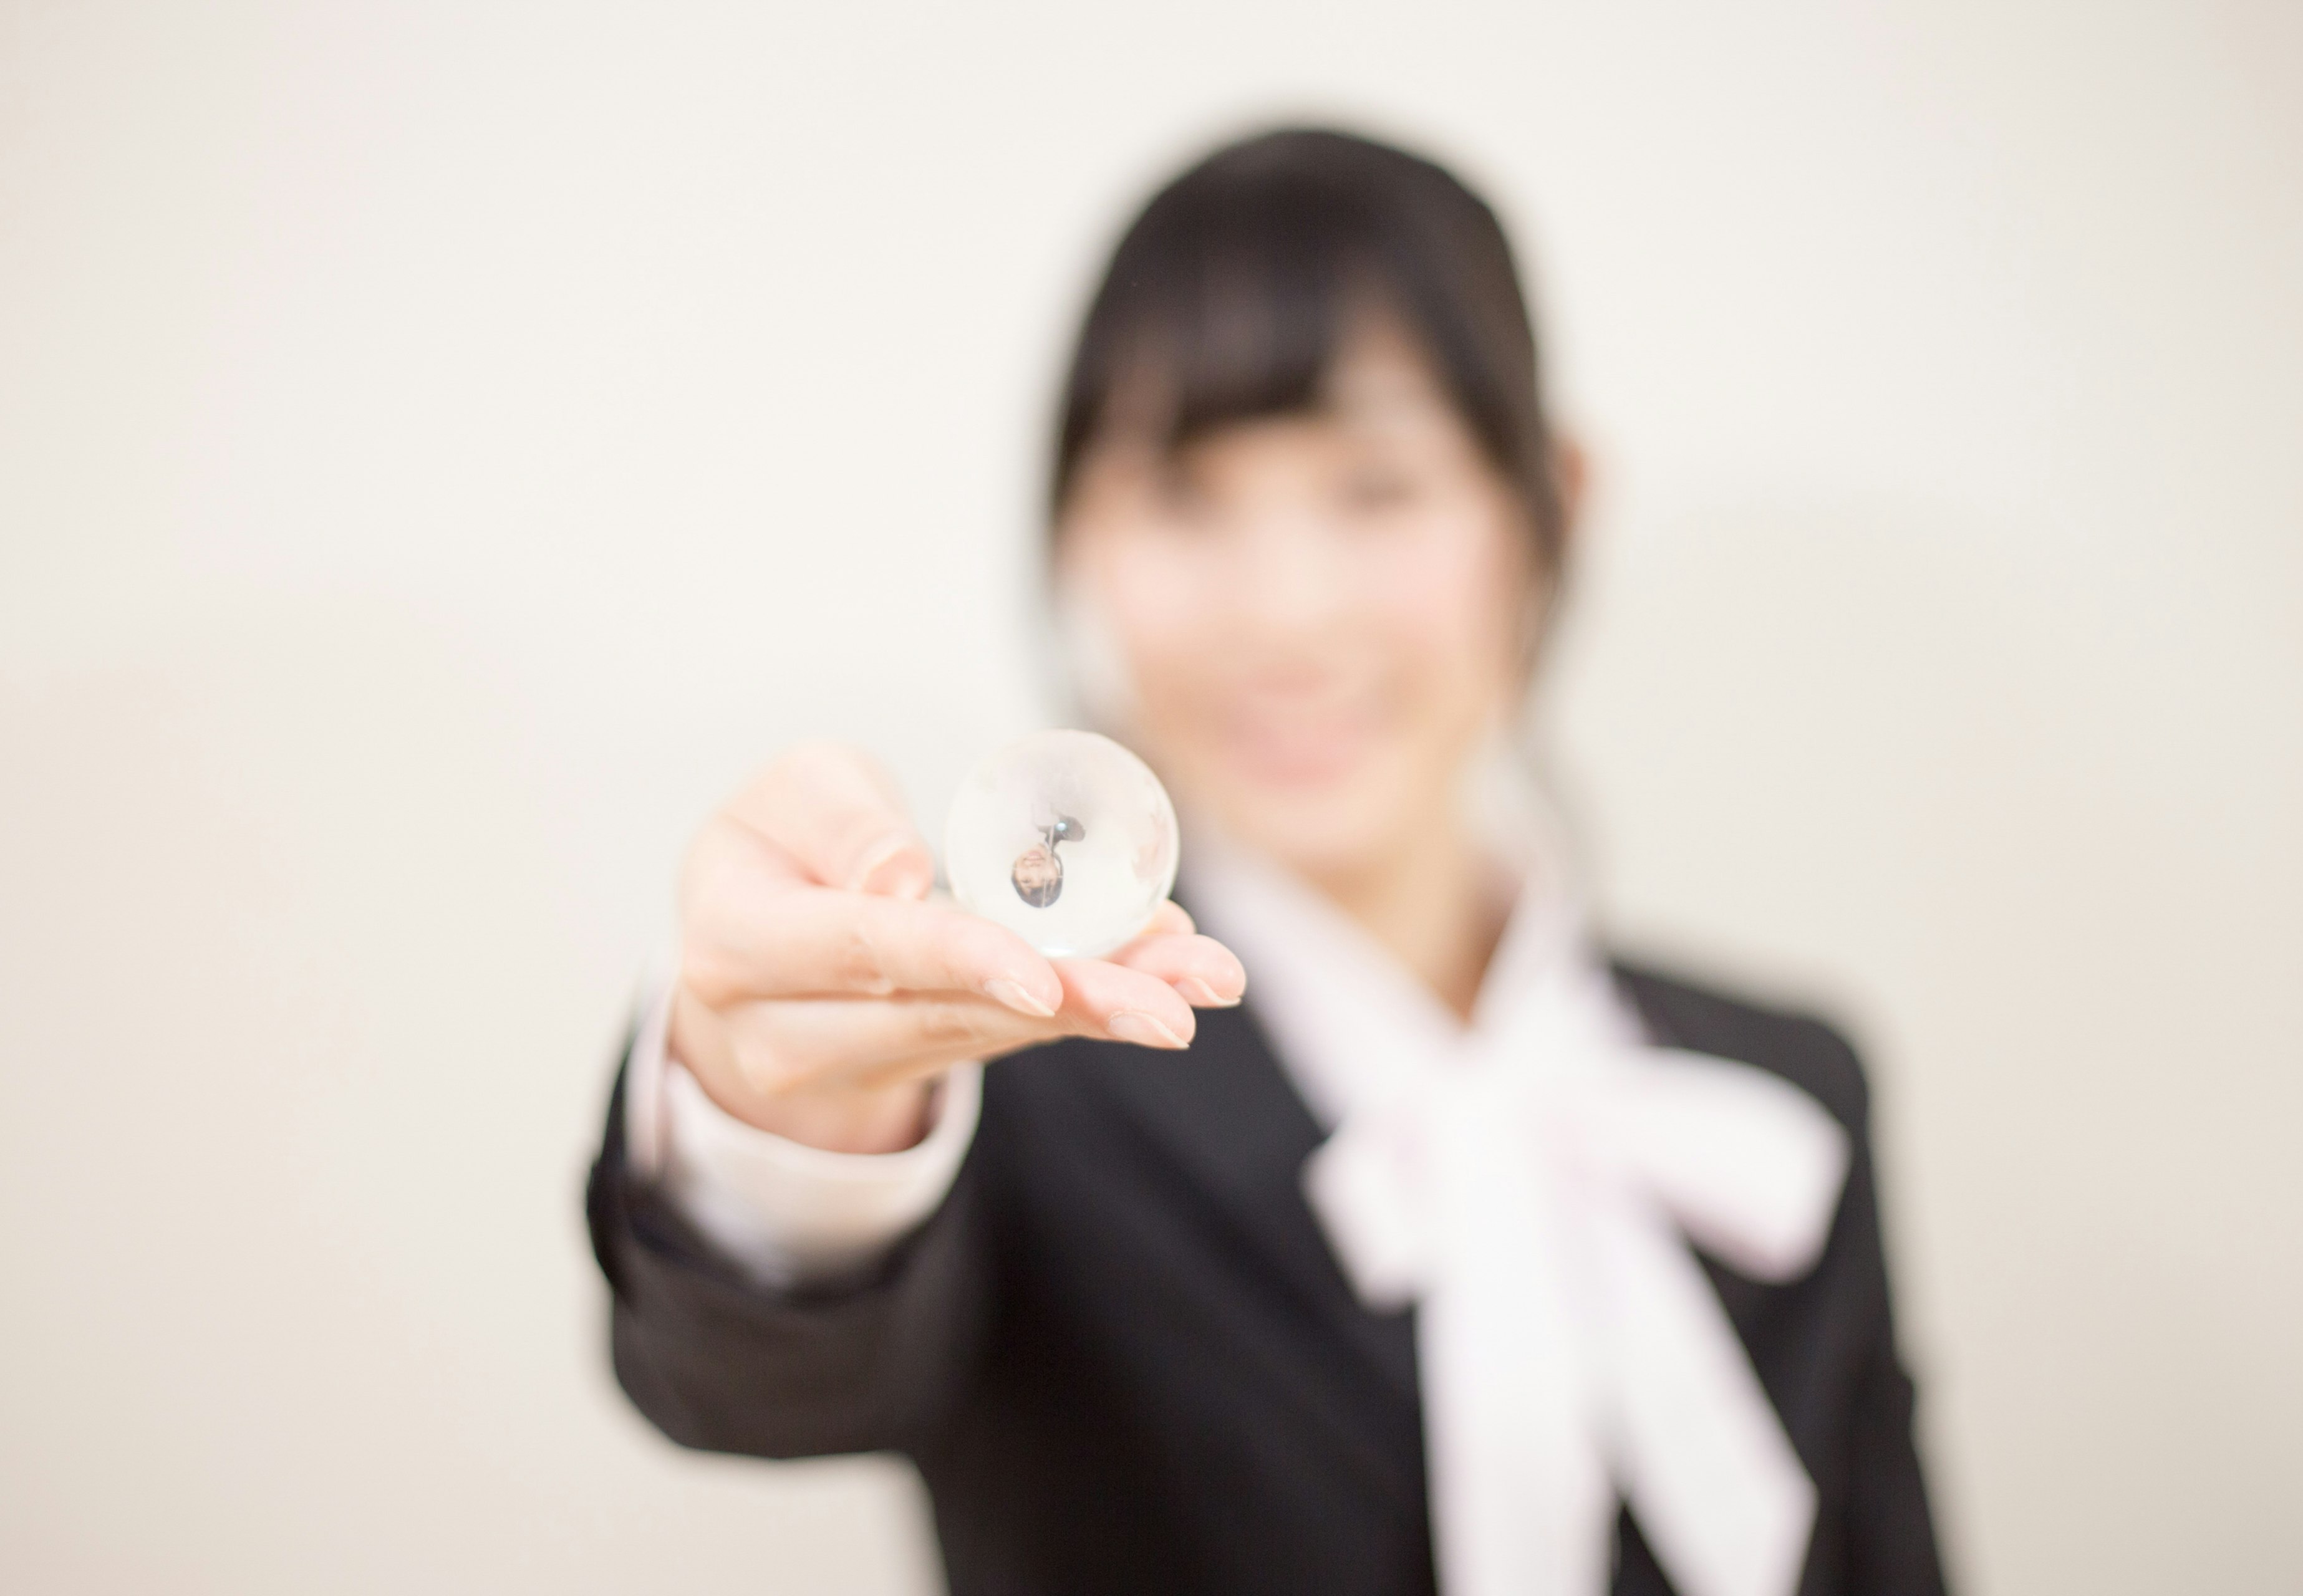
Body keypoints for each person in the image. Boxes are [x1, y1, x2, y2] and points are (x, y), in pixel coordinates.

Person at [585, 127, 1946, 1596]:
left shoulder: (1787, 1096)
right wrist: (786, 1120)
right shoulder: (1010, 1085)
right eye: (1184, 495)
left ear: (1547, 502)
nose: (1287, 612)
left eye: (1378, 484)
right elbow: (758, 1379)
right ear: (1080, 540)